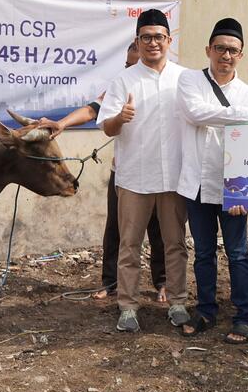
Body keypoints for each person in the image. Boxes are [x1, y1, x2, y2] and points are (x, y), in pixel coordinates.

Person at [176, 18, 248, 343]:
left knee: (237, 253)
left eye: (232, 50)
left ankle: (244, 315)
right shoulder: (189, 81)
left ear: (241, 55)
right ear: (209, 50)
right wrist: (243, 114)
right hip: (196, 185)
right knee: (204, 252)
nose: (226, 55)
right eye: (220, 48)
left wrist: (242, 195)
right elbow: (196, 113)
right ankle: (206, 310)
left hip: (232, 189)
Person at [38, 43, 167, 302]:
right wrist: (61, 123)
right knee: (116, 229)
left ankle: (163, 282)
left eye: (136, 63)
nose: (132, 68)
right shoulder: (120, 86)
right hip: (125, 172)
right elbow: (91, 110)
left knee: (160, 230)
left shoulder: (171, 85)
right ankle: (112, 282)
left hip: (161, 172)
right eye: (128, 64)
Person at [96, 9, 189, 333]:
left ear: (169, 40)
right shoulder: (123, 81)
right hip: (135, 178)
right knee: (129, 245)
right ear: (138, 41)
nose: (153, 43)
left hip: (174, 178)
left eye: (158, 37)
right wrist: (119, 117)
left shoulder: (185, 79)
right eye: (146, 37)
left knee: (175, 243)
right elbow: (106, 128)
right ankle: (128, 307)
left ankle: (178, 301)